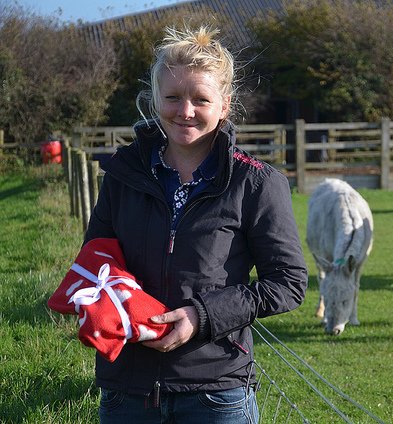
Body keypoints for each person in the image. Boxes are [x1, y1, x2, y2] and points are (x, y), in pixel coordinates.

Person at [84, 24, 308, 423]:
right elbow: (97, 263)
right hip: (127, 392)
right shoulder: (123, 175)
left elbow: (288, 283)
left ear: (224, 106)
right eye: (172, 97)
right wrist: (115, 312)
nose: (184, 111)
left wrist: (200, 317)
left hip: (216, 392)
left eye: (200, 99)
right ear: (155, 100)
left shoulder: (255, 183)